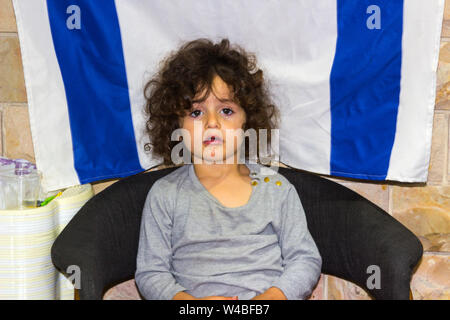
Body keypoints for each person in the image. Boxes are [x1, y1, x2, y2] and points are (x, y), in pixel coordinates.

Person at [135, 38, 322, 300]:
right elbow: (150, 273)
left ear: (247, 119)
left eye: (226, 110)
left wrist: (272, 298)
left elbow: (304, 259)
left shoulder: (277, 189)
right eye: (196, 113)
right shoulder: (164, 195)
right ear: (175, 124)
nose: (212, 123)